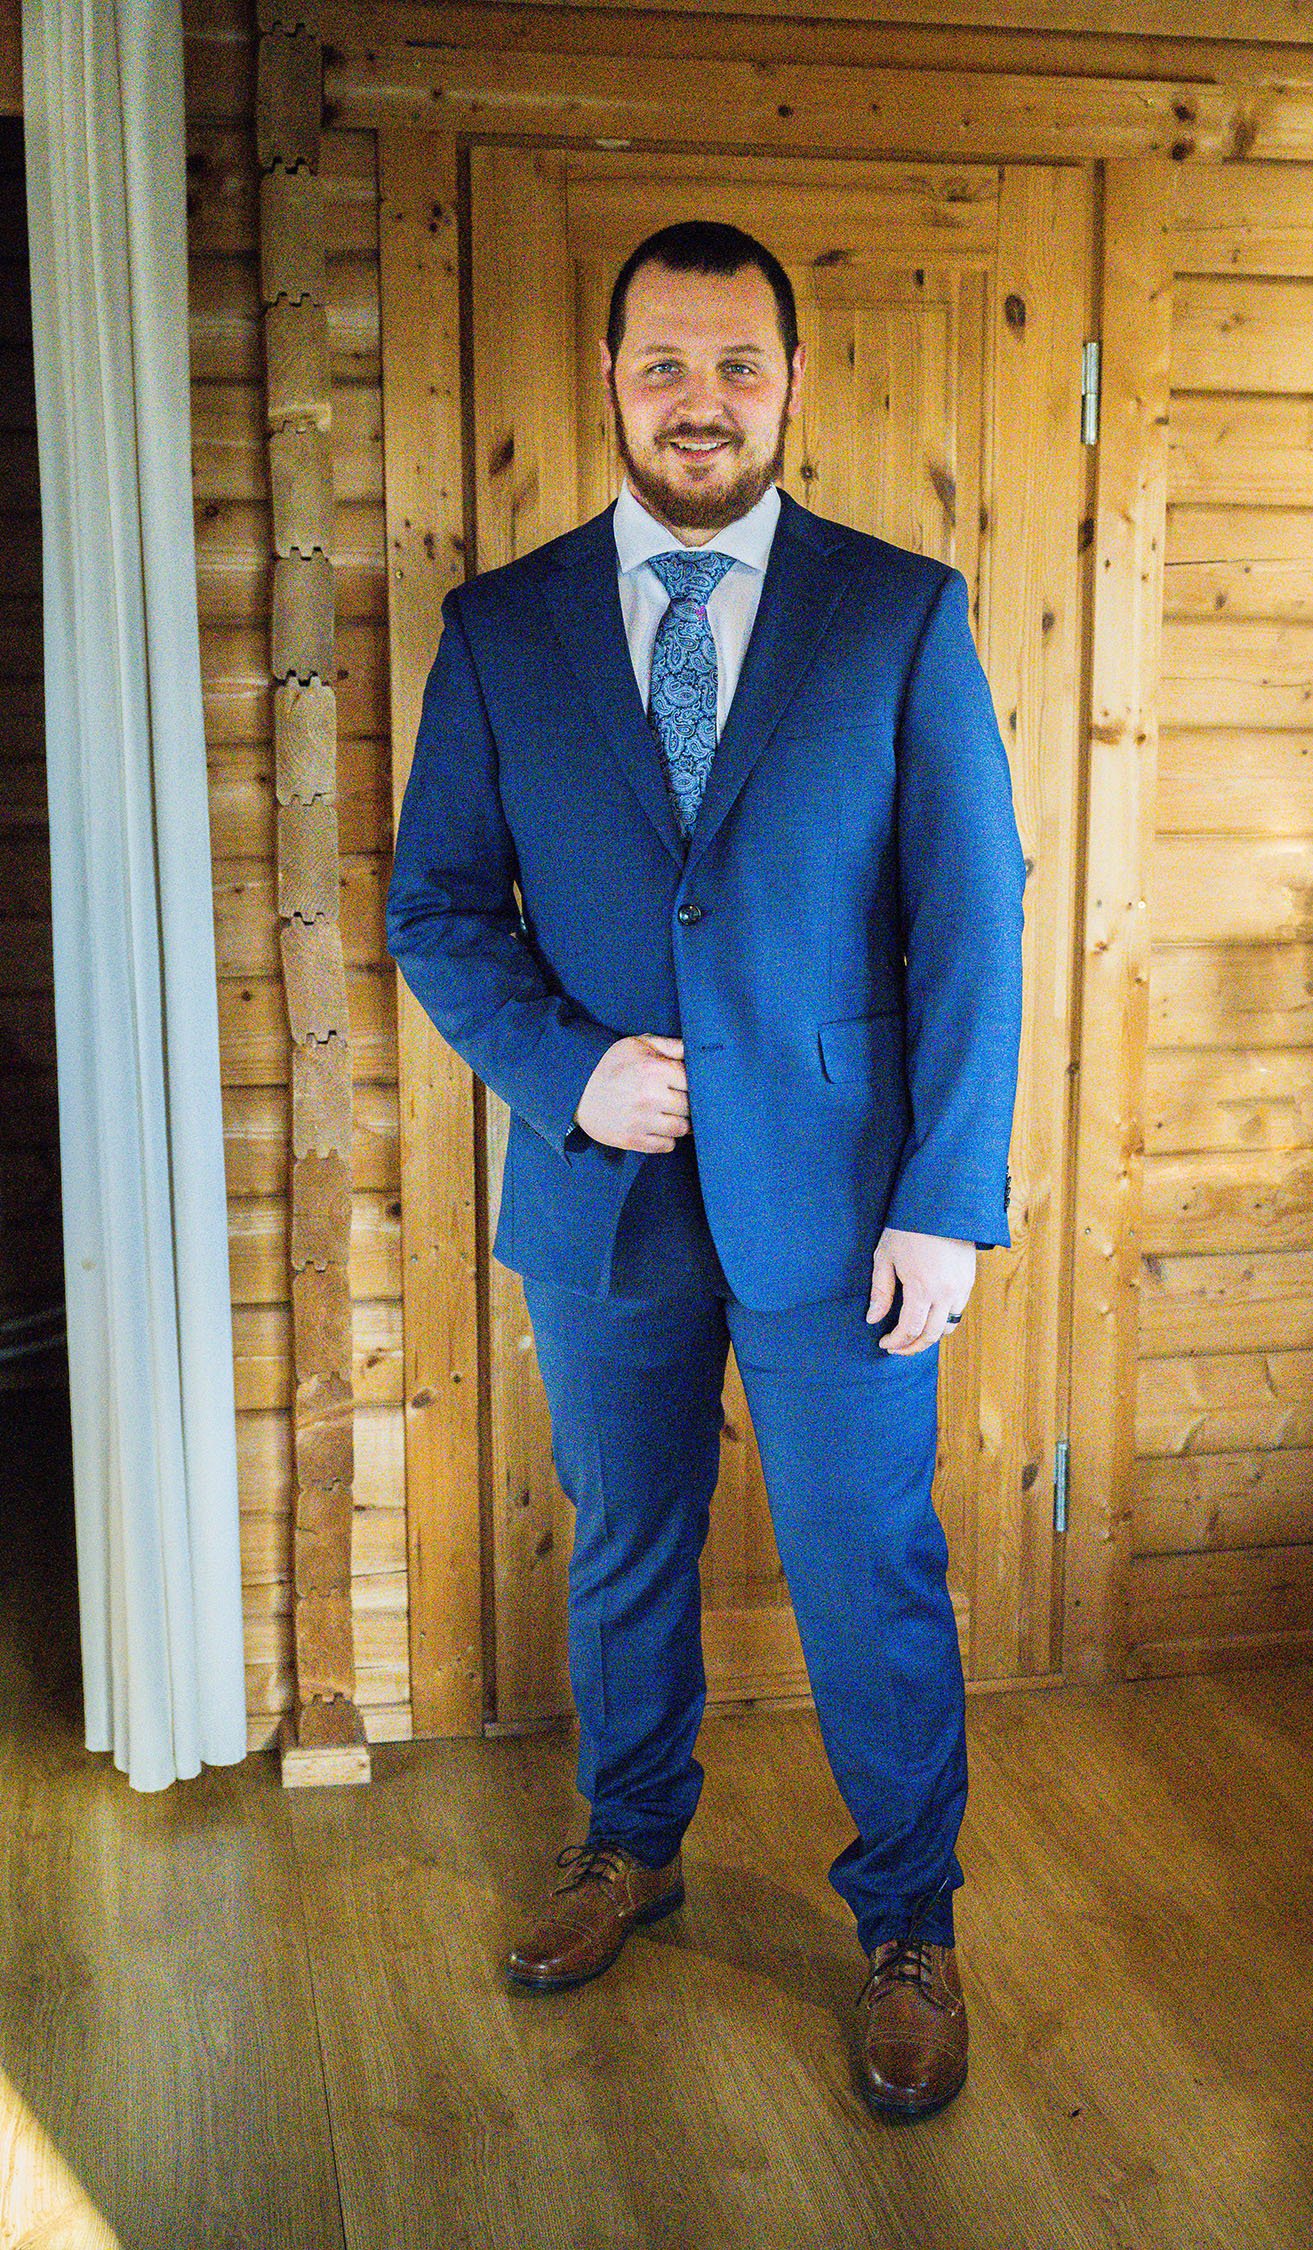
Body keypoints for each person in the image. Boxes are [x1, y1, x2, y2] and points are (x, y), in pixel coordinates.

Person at [385, 220, 1026, 2119]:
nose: (701, 400)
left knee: (867, 1565)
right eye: (665, 363)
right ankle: (630, 1840)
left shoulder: (900, 614)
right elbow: (434, 910)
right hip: (606, 1199)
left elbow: (969, 921)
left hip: (846, 1206)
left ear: (794, 385)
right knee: (630, 1545)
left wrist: (949, 1191)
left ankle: (909, 1915)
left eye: (737, 364)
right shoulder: (499, 629)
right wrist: (569, 1072)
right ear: (609, 380)